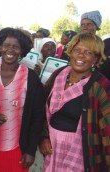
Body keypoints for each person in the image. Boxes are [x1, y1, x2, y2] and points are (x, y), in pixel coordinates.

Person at [0, 27, 46, 172]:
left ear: (22, 50)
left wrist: (31, 150)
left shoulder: (30, 77)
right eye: (6, 45)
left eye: (16, 46)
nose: (10, 49)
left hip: (18, 149)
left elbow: (38, 116)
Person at [40, 32, 110, 171]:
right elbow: (42, 108)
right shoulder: (59, 74)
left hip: (81, 153)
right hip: (52, 148)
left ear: (96, 58)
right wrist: (43, 137)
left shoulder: (101, 86)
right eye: (77, 50)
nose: (81, 55)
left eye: (88, 52)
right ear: (70, 52)